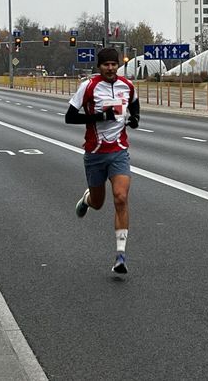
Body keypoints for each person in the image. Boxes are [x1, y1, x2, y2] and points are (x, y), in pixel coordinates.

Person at [65, 47, 140, 274]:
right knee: (99, 203)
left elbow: (134, 108)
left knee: (120, 197)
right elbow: (69, 117)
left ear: (118, 65)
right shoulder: (88, 87)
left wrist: (134, 120)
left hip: (118, 151)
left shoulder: (127, 86)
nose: (110, 68)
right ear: (99, 66)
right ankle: (87, 199)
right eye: (106, 65)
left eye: (114, 64)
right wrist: (99, 116)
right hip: (95, 153)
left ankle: (120, 256)